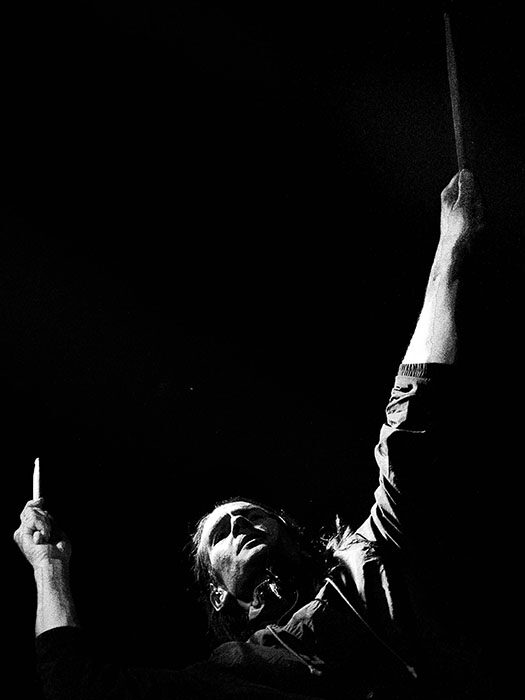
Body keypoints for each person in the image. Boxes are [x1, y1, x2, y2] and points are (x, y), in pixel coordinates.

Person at [14, 169, 486, 699]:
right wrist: (49, 565)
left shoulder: (370, 558)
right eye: (220, 534)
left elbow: (411, 427)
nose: (239, 521)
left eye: (251, 514)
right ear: (217, 593)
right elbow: (77, 686)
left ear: (290, 533)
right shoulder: (231, 676)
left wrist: (451, 248)